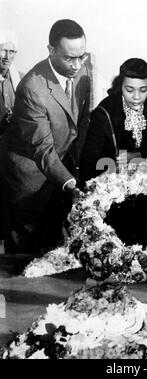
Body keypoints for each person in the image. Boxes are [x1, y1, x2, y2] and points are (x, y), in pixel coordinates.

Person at [2, 19, 91, 254]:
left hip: (58, 178)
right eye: (69, 58)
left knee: (55, 251)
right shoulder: (32, 87)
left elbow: (80, 125)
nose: (77, 64)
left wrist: (78, 172)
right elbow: (42, 148)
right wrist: (71, 183)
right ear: (51, 51)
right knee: (25, 262)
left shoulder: (83, 71)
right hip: (28, 181)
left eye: (81, 56)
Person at [80, 58, 147, 247]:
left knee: (139, 244)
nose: (137, 97)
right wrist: (114, 163)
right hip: (109, 186)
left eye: (143, 89)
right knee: (115, 246)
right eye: (129, 89)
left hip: (139, 185)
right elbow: (88, 162)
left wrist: (138, 157)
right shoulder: (103, 113)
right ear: (121, 86)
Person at [0, 30, 23, 252]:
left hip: (8, 154)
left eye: (12, 51)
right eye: (3, 50)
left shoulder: (16, 78)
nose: (7, 56)